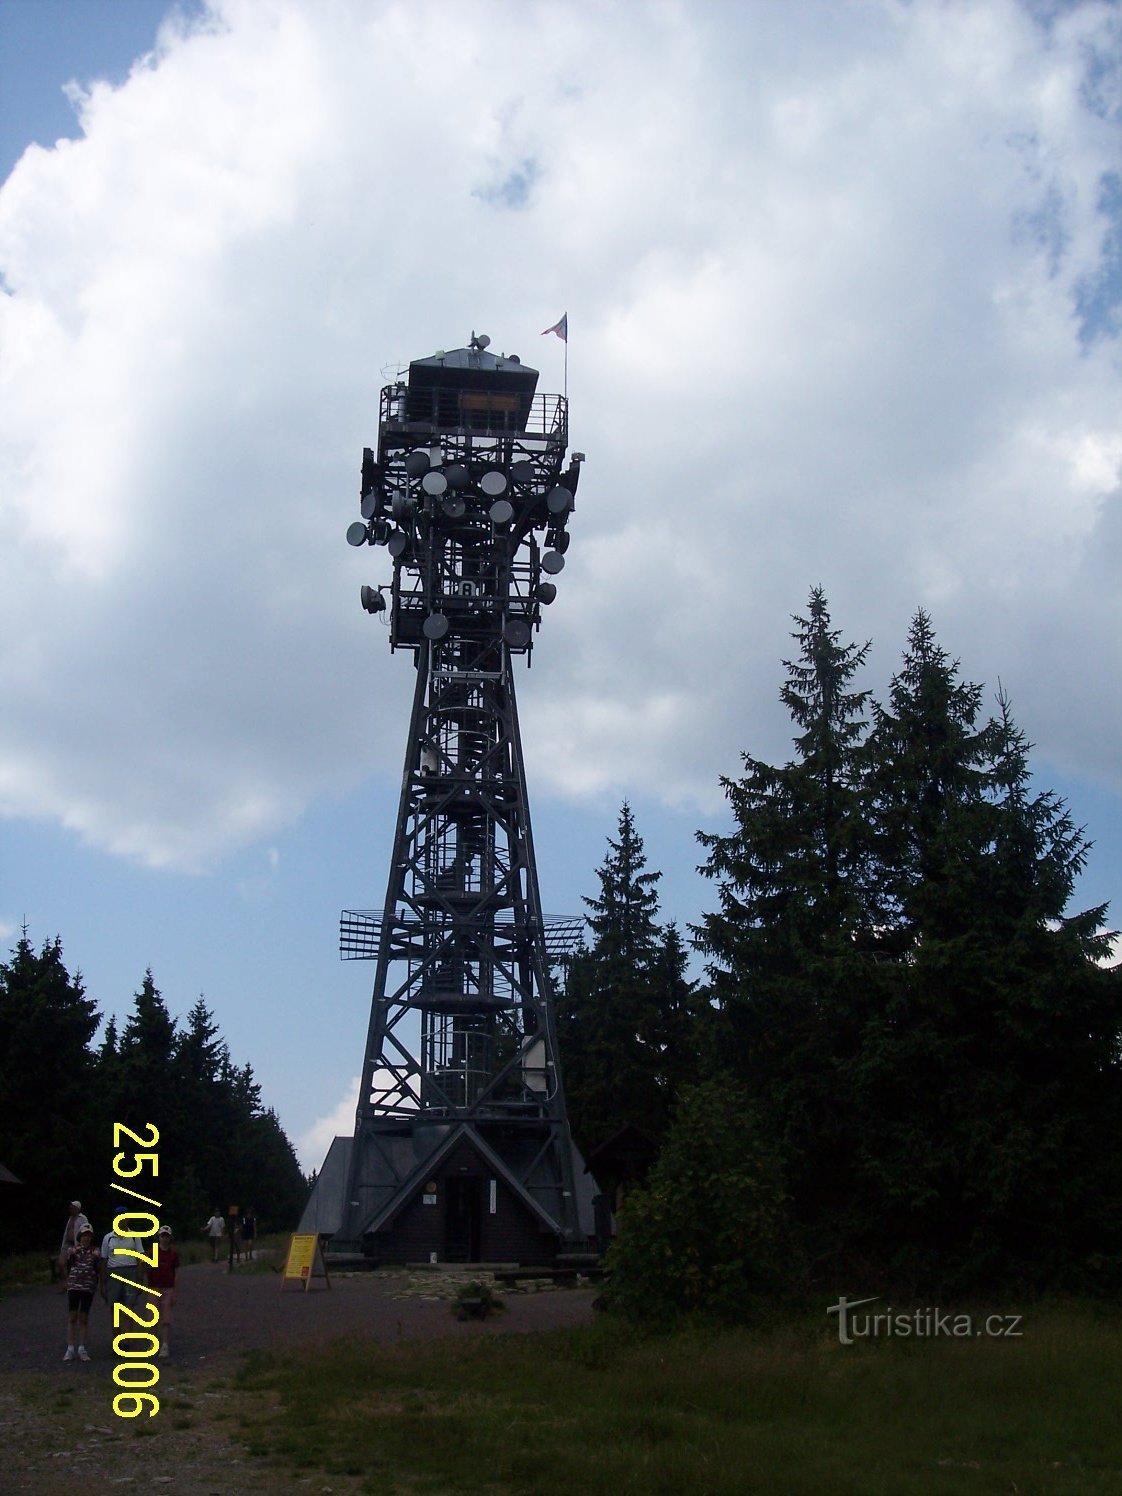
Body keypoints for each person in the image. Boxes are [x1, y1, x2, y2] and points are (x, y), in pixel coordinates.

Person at [64, 1224, 100, 1362]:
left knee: (84, 1317)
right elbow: (68, 1262)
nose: (86, 1238)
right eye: (84, 1235)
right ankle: (70, 1348)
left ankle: (82, 1348)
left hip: (88, 1288)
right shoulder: (73, 1250)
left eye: (88, 1236)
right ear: (80, 1237)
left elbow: (98, 1267)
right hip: (74, 1286)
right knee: (72, 1316)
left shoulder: (95, 1251)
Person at [147, 1225, 180, 1358]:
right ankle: (152, 1342)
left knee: (166, 1318)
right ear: (159, 1237)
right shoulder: (152, 1252)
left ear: (170, 1238)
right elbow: (146, 1269)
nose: (164, 1239)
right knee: (152, 1317)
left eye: (166, 1236)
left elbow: (176, 1273)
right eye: (162, 1236)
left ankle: (165, 1344)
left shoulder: (173, 1254)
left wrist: (175, 1293)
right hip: (154, 1287)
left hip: (168, 1288)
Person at [100, 1224, 146, 1317]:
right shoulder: (108, 1238)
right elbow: (103, 1260)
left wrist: (140, 1279)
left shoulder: (134, 1236)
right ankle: (117, 1331)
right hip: (113, 1272)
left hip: (131, 1272)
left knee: (129, 1309)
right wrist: (102, 1284)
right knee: (115, 1309)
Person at [58, 1200, 90, 1280]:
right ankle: (66, 1282)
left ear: (77, 1208)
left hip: (77, 1243)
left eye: (72, 1208)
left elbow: (86, 1231)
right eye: (70, 1208)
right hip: (67, 1243)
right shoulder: (70, 1218)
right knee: (61, 1263)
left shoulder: (82, 1218)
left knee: (78, 1264)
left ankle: (79, 1282)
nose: (70, 1209)